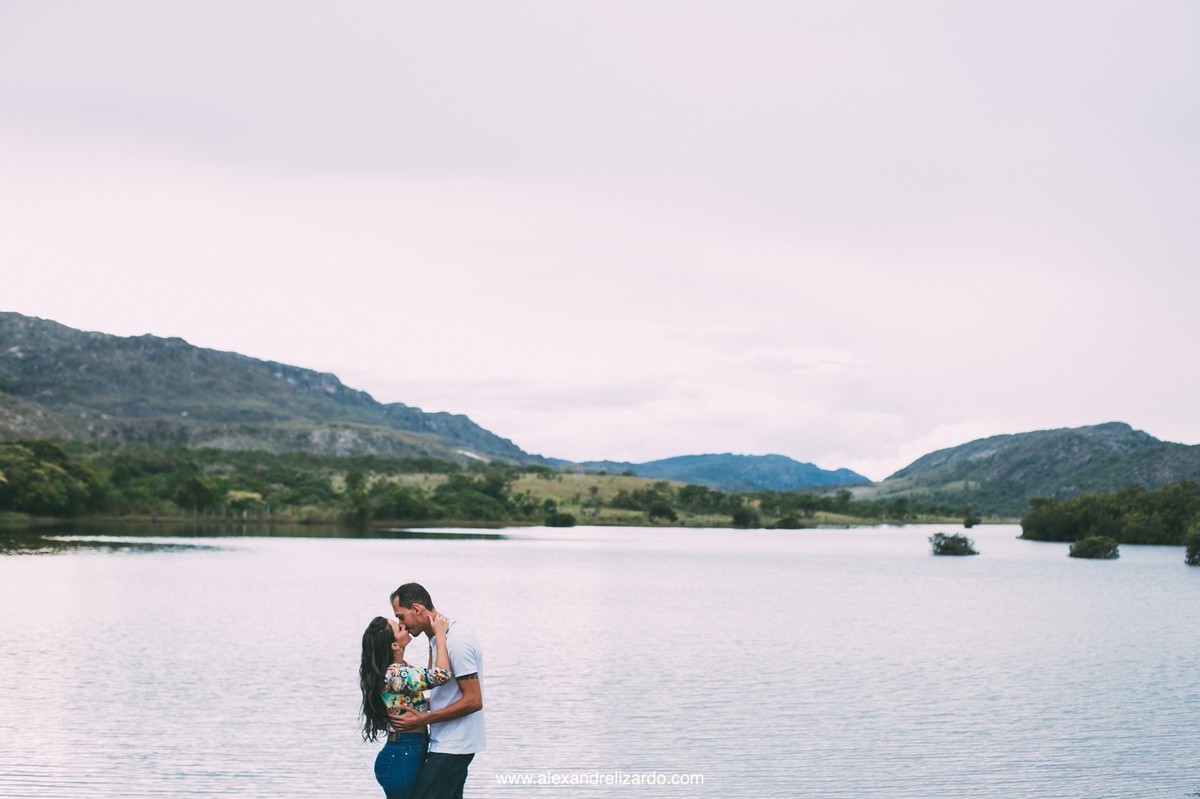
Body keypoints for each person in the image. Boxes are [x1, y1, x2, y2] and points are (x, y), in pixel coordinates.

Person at [389, 583, 485, 799]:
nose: (401, 624)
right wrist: (417, 707)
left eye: (401, 616)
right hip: (446, 742)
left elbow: (473, 700)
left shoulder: (456, 641)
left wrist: (423, 719)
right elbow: (448, 694)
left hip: (454, 745)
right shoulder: (438, 639)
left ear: (417, 609)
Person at [360, 612, 452, 799]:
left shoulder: (399, 670)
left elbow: (428, 677)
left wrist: (431, 642)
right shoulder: (395, 675)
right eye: (399, 628)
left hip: (405, 751)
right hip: (402, 756)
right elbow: (441, 675)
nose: (404, 626)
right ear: (394, 645)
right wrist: (440, 635)